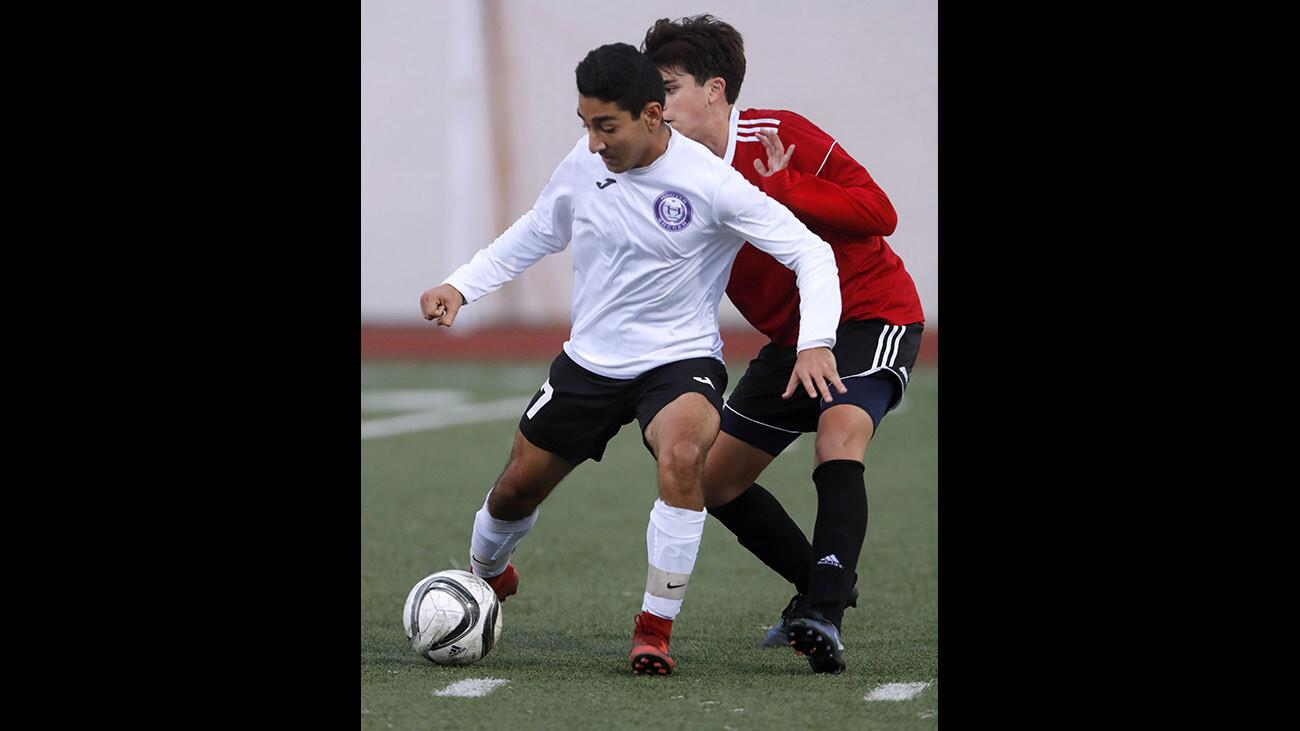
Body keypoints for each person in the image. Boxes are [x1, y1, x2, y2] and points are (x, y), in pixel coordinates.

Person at [419, 42, 846, 676]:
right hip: (589, 362)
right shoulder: (583, 163)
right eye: (585, 125)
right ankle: (487, 577)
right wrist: (461, 285)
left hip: (680, 361)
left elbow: (810, 253)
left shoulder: (710, 183)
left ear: (652, 114)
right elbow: (539, 229)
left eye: (606, 126)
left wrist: (815, 340)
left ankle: (654, 631)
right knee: (513, 492)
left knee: (683, 458)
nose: (593, 142)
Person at [641, 15, 926, 675]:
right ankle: (823, 580)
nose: (656, 105)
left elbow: (880, 213)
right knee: (713, 479)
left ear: (715, 91)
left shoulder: (779, 137)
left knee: (838, 435)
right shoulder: (667, 175)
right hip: (793, 341)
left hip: (869, 315)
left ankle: (822, 612)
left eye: (669, 87)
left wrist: (785, 186)